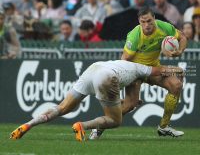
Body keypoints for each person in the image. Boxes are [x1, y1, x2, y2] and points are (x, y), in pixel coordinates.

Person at [10, 59, 183, 140]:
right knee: (115, 120)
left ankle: (28, 125)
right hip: (106, 76)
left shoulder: (124, 64)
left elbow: (123, 98)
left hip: (93, 69)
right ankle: (82, 126)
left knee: (62, 107)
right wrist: (178, 70)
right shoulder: (142, 68)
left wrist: (129, 101)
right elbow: (159, 71)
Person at [89, 7, 187, 139]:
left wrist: (179, 51)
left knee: (176, 85)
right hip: (134, 71)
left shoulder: (164, 27)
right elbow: (124, 61)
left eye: (149, 21)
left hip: (153, 69)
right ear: (139, 21)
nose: (146, 25)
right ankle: (98, 128)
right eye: (143, 22)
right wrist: (119, 87)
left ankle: (164, 126)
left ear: (154, 19)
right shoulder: (135, 35)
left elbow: (182, 37)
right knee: (130, 104)